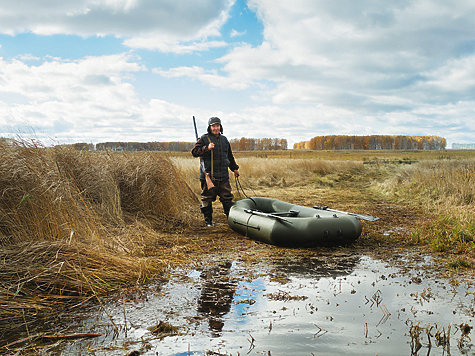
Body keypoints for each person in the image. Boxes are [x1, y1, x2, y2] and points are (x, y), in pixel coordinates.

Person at [191, 117, 239, 226]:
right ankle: (208, 222)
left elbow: (229, 156)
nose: (216, 128)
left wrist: (234, 168)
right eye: (213, 126)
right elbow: (194, 152)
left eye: (217, 126)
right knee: (207, 198)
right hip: (209, 175)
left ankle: (231, 221)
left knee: (227, 197)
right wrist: (206, 148)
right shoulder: (204, 139)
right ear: (210, 127)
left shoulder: (224, 139)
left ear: (220, 127)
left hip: (223, 175)